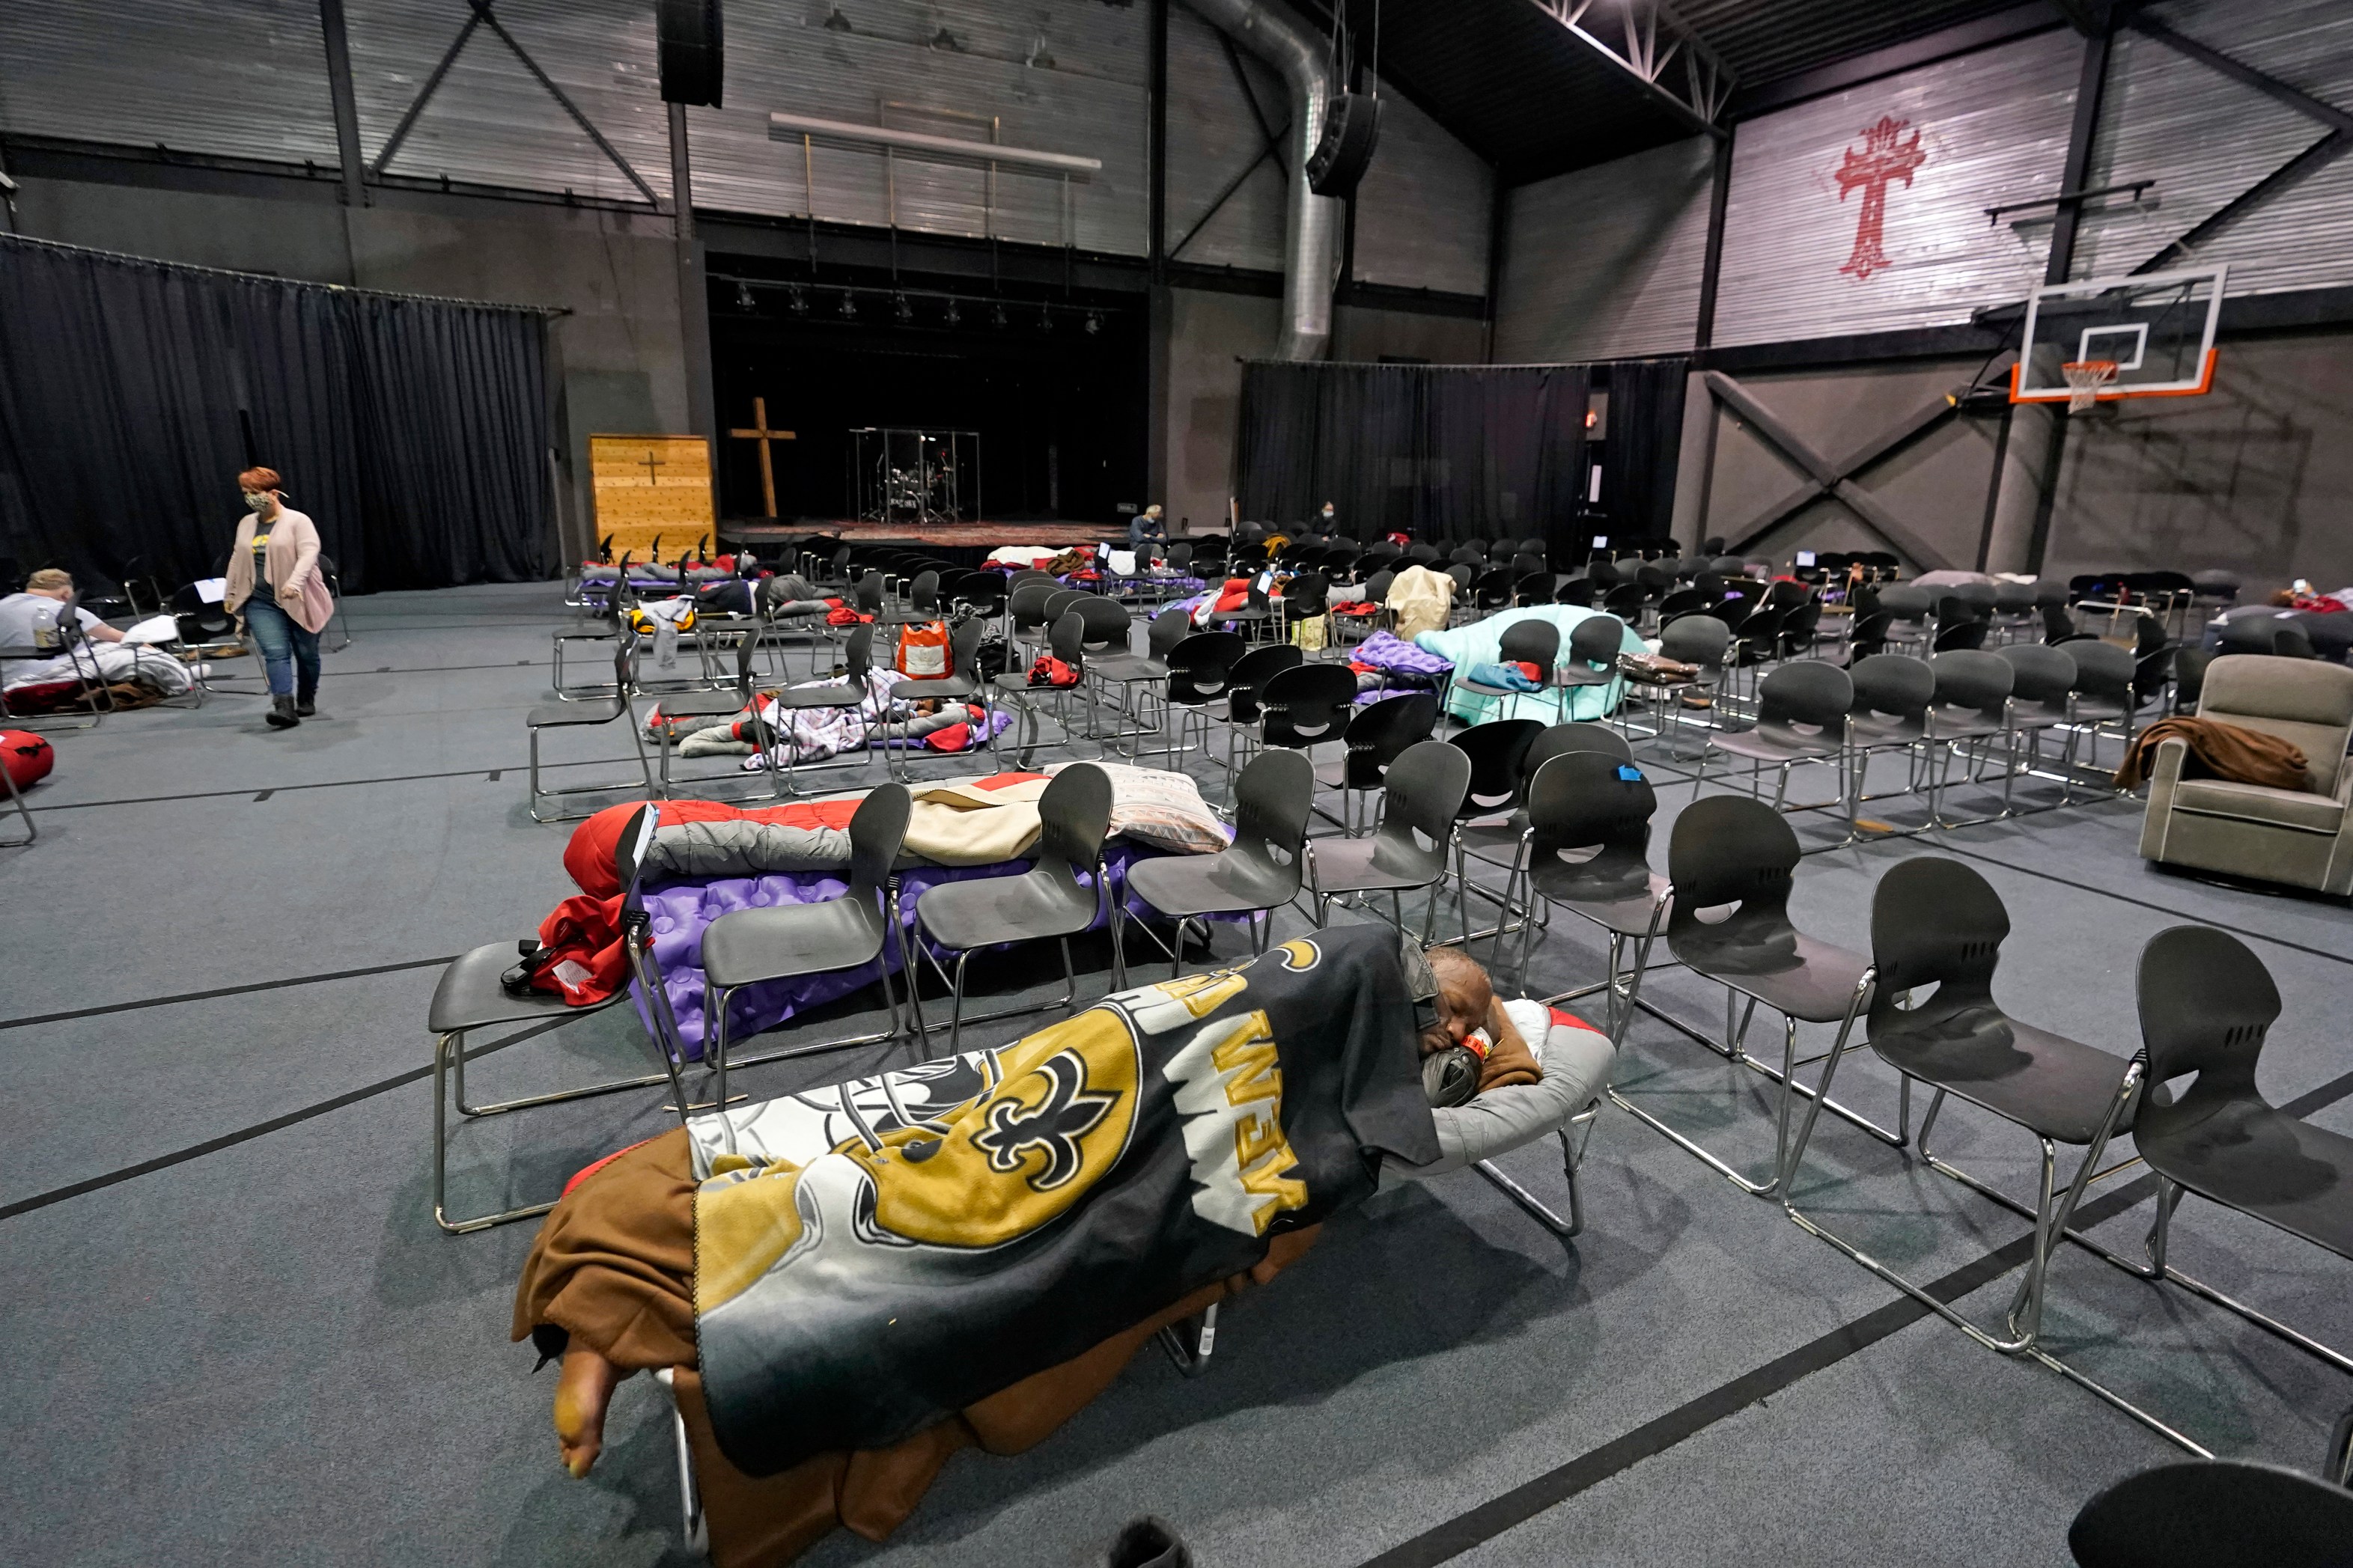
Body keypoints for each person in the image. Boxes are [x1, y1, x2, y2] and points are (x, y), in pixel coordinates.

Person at [511, 933, 1553, 1565]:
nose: (1442, 1033)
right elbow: (1270, 1002)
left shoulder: (1411, 1028)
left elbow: (1462, 1075)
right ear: (1419, 980)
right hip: (1115, 1050)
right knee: (941, 1169)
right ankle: (622, 1300)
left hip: (1177, 1103)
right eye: (1446, 1011)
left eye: (1457, 1025)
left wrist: (1460, 1046)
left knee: (945, 1221)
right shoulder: (1354, 965)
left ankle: (624, 1311)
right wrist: (1426, 1019)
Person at [223, 467, 334, 728]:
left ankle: (307, 695)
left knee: (306, 654)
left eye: (254, 492)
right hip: (260, 601)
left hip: (299, 598)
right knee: (275, 652)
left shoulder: (298, 521)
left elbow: (309, 554)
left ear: (273, 493)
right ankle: (284, 706)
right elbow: (237, 558)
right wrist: (230, 592)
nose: (249, 497)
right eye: (245, 493)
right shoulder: (246, 524)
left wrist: (294, 583)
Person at [0, 568, 125, 689]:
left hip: (6, 678)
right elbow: (122, 638)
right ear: (66, 594)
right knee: (133, 652)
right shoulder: (63, 609)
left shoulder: (3, 604)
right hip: (46, 673)